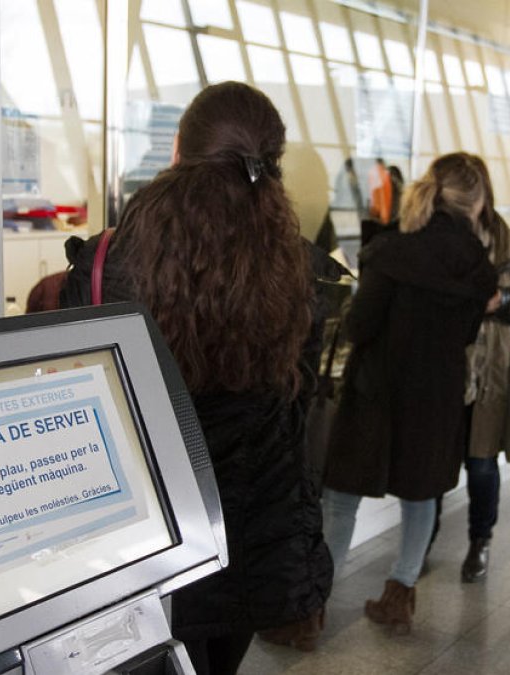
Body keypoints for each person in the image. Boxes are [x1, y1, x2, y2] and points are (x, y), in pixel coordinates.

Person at [60, 81, 333, 674]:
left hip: (142, 533)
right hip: (248, 530)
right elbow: (298, 393)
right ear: (272, 163)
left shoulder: (108, 264)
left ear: (177, 149)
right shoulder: (298, 270)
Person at [321, 152, 502, 635]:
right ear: (477, 201)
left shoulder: (390, 251)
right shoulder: (479, 269)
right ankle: (399, 597)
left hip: (375, 391)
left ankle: (312, 607)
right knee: (421, 496)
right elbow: (464, 335)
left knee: (341, 499)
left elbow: (360, 327)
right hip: (435, 397)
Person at [454, 160, 510, 583]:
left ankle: (479, 542)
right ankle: (426, 533)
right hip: (446, 363)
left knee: (482, 462)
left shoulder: (501, 235)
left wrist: (500, 302)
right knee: (435, 458)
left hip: (490, 368)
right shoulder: (436, 234)